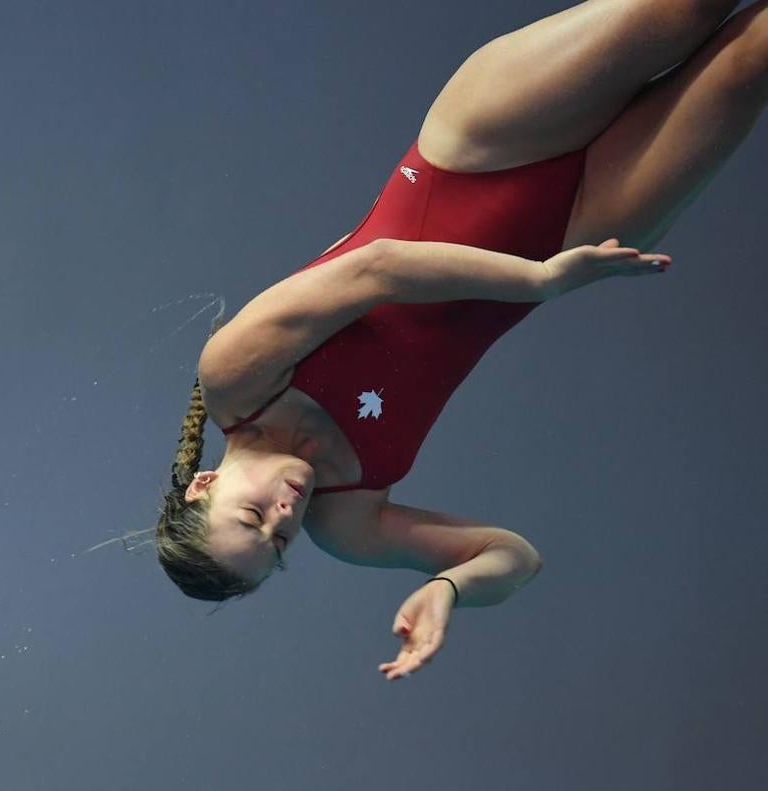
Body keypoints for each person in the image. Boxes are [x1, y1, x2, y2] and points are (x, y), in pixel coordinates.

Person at [158, 0, 767, 680]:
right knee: (753, 56)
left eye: (252, 517)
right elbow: (515, 558)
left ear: (204, 484)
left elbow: (377, 267)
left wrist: (539, 283)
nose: (283, 517)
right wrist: (451, 587)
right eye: (279, 545)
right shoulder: (348, 523)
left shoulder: (235, 378)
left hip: (477, 151)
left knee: (687, 10)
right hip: (574, 235)